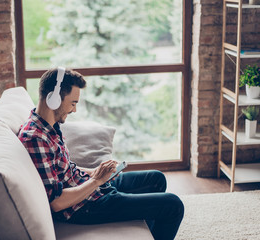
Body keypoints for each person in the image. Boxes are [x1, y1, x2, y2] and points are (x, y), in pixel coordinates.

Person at [18, 67, 184, 240]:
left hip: (87, 186)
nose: (74, 110)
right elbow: (56, 202)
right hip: (84, 207)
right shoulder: (35, 138)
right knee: (173, 205)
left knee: (156, 178)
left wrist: (94, 172)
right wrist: (97, 181)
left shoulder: (49, 126)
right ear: (54, 99)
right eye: (73, 103)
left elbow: (63, 168)